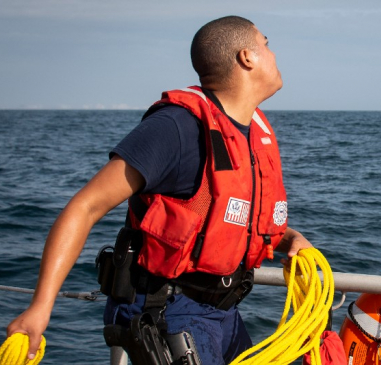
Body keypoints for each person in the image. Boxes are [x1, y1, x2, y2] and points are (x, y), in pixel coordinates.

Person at [6, 15, 313, 365]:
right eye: (266, 44)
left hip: (223, 315)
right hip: (168, 312)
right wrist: (40, 308)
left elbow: (228, 215)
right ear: (247, 57)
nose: (274, 54)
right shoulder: (176, 128)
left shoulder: (249, 132)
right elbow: (85, 207)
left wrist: (290, 239)